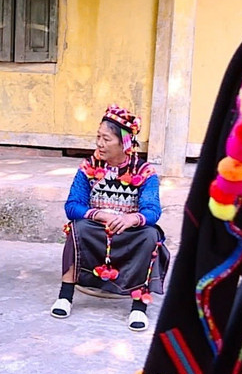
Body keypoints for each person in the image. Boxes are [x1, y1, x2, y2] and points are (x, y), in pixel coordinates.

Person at [51, 105, 170, 331]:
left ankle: (138, 307)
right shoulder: (88, 167)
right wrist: (99, 214)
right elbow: (72, 205)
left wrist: (131, 219)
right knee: (77, 228)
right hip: (97, 229)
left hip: (129, 232)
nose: (99, 143)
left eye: (106, 139)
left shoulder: (145, 172)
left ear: (124, 143)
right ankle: (65, 296)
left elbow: (152, 210)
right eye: (98, 137)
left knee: (150, 235)